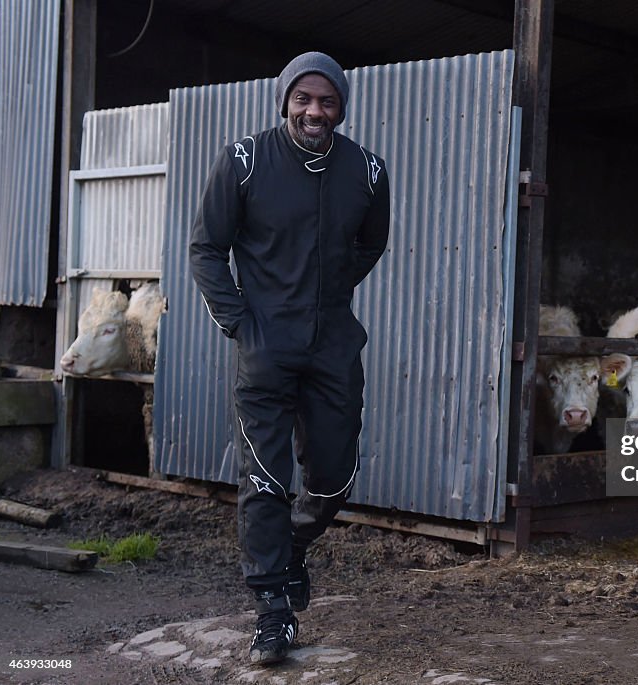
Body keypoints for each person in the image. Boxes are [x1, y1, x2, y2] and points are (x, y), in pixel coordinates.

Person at [189, 51, 390, 666]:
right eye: (303, 98)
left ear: (340, 108)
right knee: (265, 479)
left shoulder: (369, 171)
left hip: (332, 344)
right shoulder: (244, 162)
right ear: (285, 102)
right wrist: (241, 322)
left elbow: (370, 243)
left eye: (326, 101)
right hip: (265, 347)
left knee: (335, 473)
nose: (314, 110)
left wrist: (326, 297)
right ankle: (272, 612)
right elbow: (206, 248)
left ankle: (296, 543)